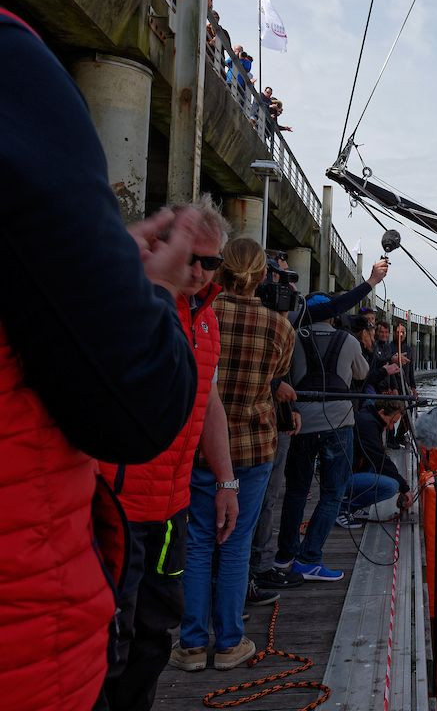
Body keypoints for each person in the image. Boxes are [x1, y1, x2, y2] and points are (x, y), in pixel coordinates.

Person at [1, 0, 199, 704]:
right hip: (24, 634)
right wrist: (151, 289)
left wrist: (104, 256)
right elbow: (137, 399)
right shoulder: (13, 73)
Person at [96, 195, 238, 711]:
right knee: (111, 640)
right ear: (164, 247)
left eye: (211, 262)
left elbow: (210, 400)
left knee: (155, 636)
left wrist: (225, 482)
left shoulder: (208, 319)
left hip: (171, 507)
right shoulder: (133, 301)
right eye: (191, 258)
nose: (199, 272)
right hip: (115, 507)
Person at [171, 238, 297, 673]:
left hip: (201, 448)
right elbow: (276, 376)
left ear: (221, 271)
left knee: (200, 538)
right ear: (263, 276)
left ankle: (190, 644)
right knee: (237, 542)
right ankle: (228, 642)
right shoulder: (281, 326)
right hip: (255, 446)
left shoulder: (204, 313)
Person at [275, 296, 369, 581]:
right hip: (338, 423)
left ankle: (284, 556)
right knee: (332, 493)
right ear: (334, 317)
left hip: (300, 421)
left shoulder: (292, 335)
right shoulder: (348, 340)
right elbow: (362, 372)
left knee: (295, 491)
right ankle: (310, 556)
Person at [337, 399, 411, 529]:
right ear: (382, 412)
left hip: (350, 470)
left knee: (389, 477)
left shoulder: (368, 418)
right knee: (391, 486)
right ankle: (343, 508)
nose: (391, 427)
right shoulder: (368, 424)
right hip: (341, 476)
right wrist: (403, 486)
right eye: (392, 421)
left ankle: (350, 505)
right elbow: (379, 459)